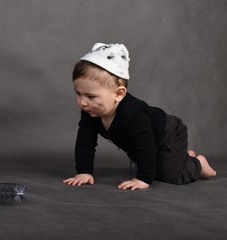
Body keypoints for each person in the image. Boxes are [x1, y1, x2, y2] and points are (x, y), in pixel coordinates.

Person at [63, 43, 216, 190]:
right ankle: (181, 157)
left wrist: (142, 179)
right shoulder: (91, 111)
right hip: (141, 142)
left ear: (118, 94)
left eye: (90, 96)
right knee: (148, 164)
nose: (82, 102)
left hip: (168, 135)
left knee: (169, 175)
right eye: (78, 94)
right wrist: (84, 171)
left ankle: (198, 163)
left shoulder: (134, 115)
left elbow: (145, 148)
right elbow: (85, 142)